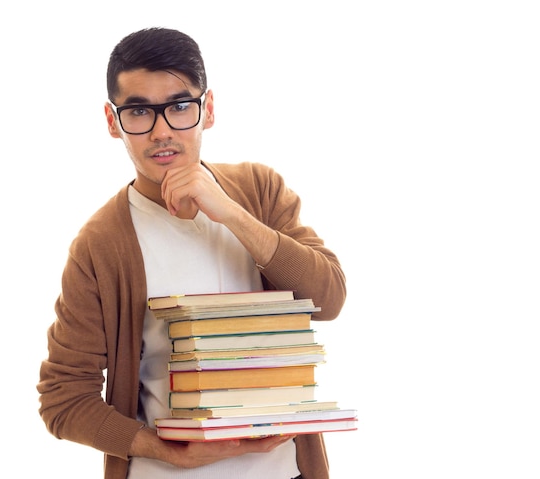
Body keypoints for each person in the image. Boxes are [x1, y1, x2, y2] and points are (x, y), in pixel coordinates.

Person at [37, 27, 346, 479]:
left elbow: (330, 299)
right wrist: (161, 449)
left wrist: (234, 216)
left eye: (181, 106)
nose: (162, 132)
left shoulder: (258, 190)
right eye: (139, 111)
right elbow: (63, 397)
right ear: (112, 120)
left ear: (209, 109)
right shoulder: (101, 244)